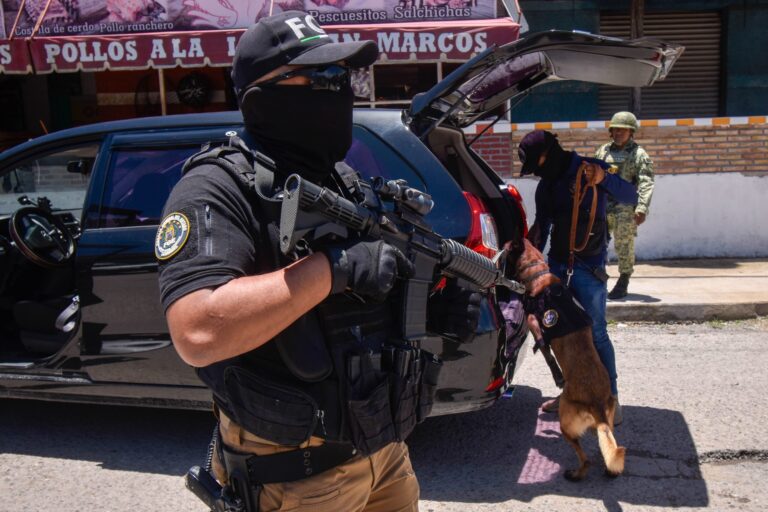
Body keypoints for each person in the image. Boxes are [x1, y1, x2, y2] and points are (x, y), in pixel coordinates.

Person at [156, 10, 479, 512]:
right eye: (323, 77)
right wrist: (333, 269)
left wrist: (428, 311)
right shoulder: (217, 187)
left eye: (344, 77)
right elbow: (198, 332)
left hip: (382, 448)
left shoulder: (341, 181)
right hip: (294, 471)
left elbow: (358, 304)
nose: (341, 90)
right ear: (263, 93)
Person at [517, 130, 638, 424]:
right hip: (557, 269)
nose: (537, 172)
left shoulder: (590, 169)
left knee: (596, 333)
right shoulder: (545, 187)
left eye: (537, 163)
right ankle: (571, 392)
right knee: (560, 333)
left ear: (547, 153)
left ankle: (611, 400)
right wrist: (530, 257)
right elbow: (543, 226)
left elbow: (630, 195)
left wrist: (604, 178)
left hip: (588, 269)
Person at [595, 111, 655, 300]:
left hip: (625, 209)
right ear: (611, 132)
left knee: (624, 245)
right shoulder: (603, 151)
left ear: (631, 132)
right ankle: (597, 278)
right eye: (616, 130)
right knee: (597, 244)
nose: (619, 133)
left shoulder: (639, 154)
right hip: (603, 207)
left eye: (624, 130)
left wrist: (642, 208)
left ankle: (623, 280)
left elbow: (646, 182)